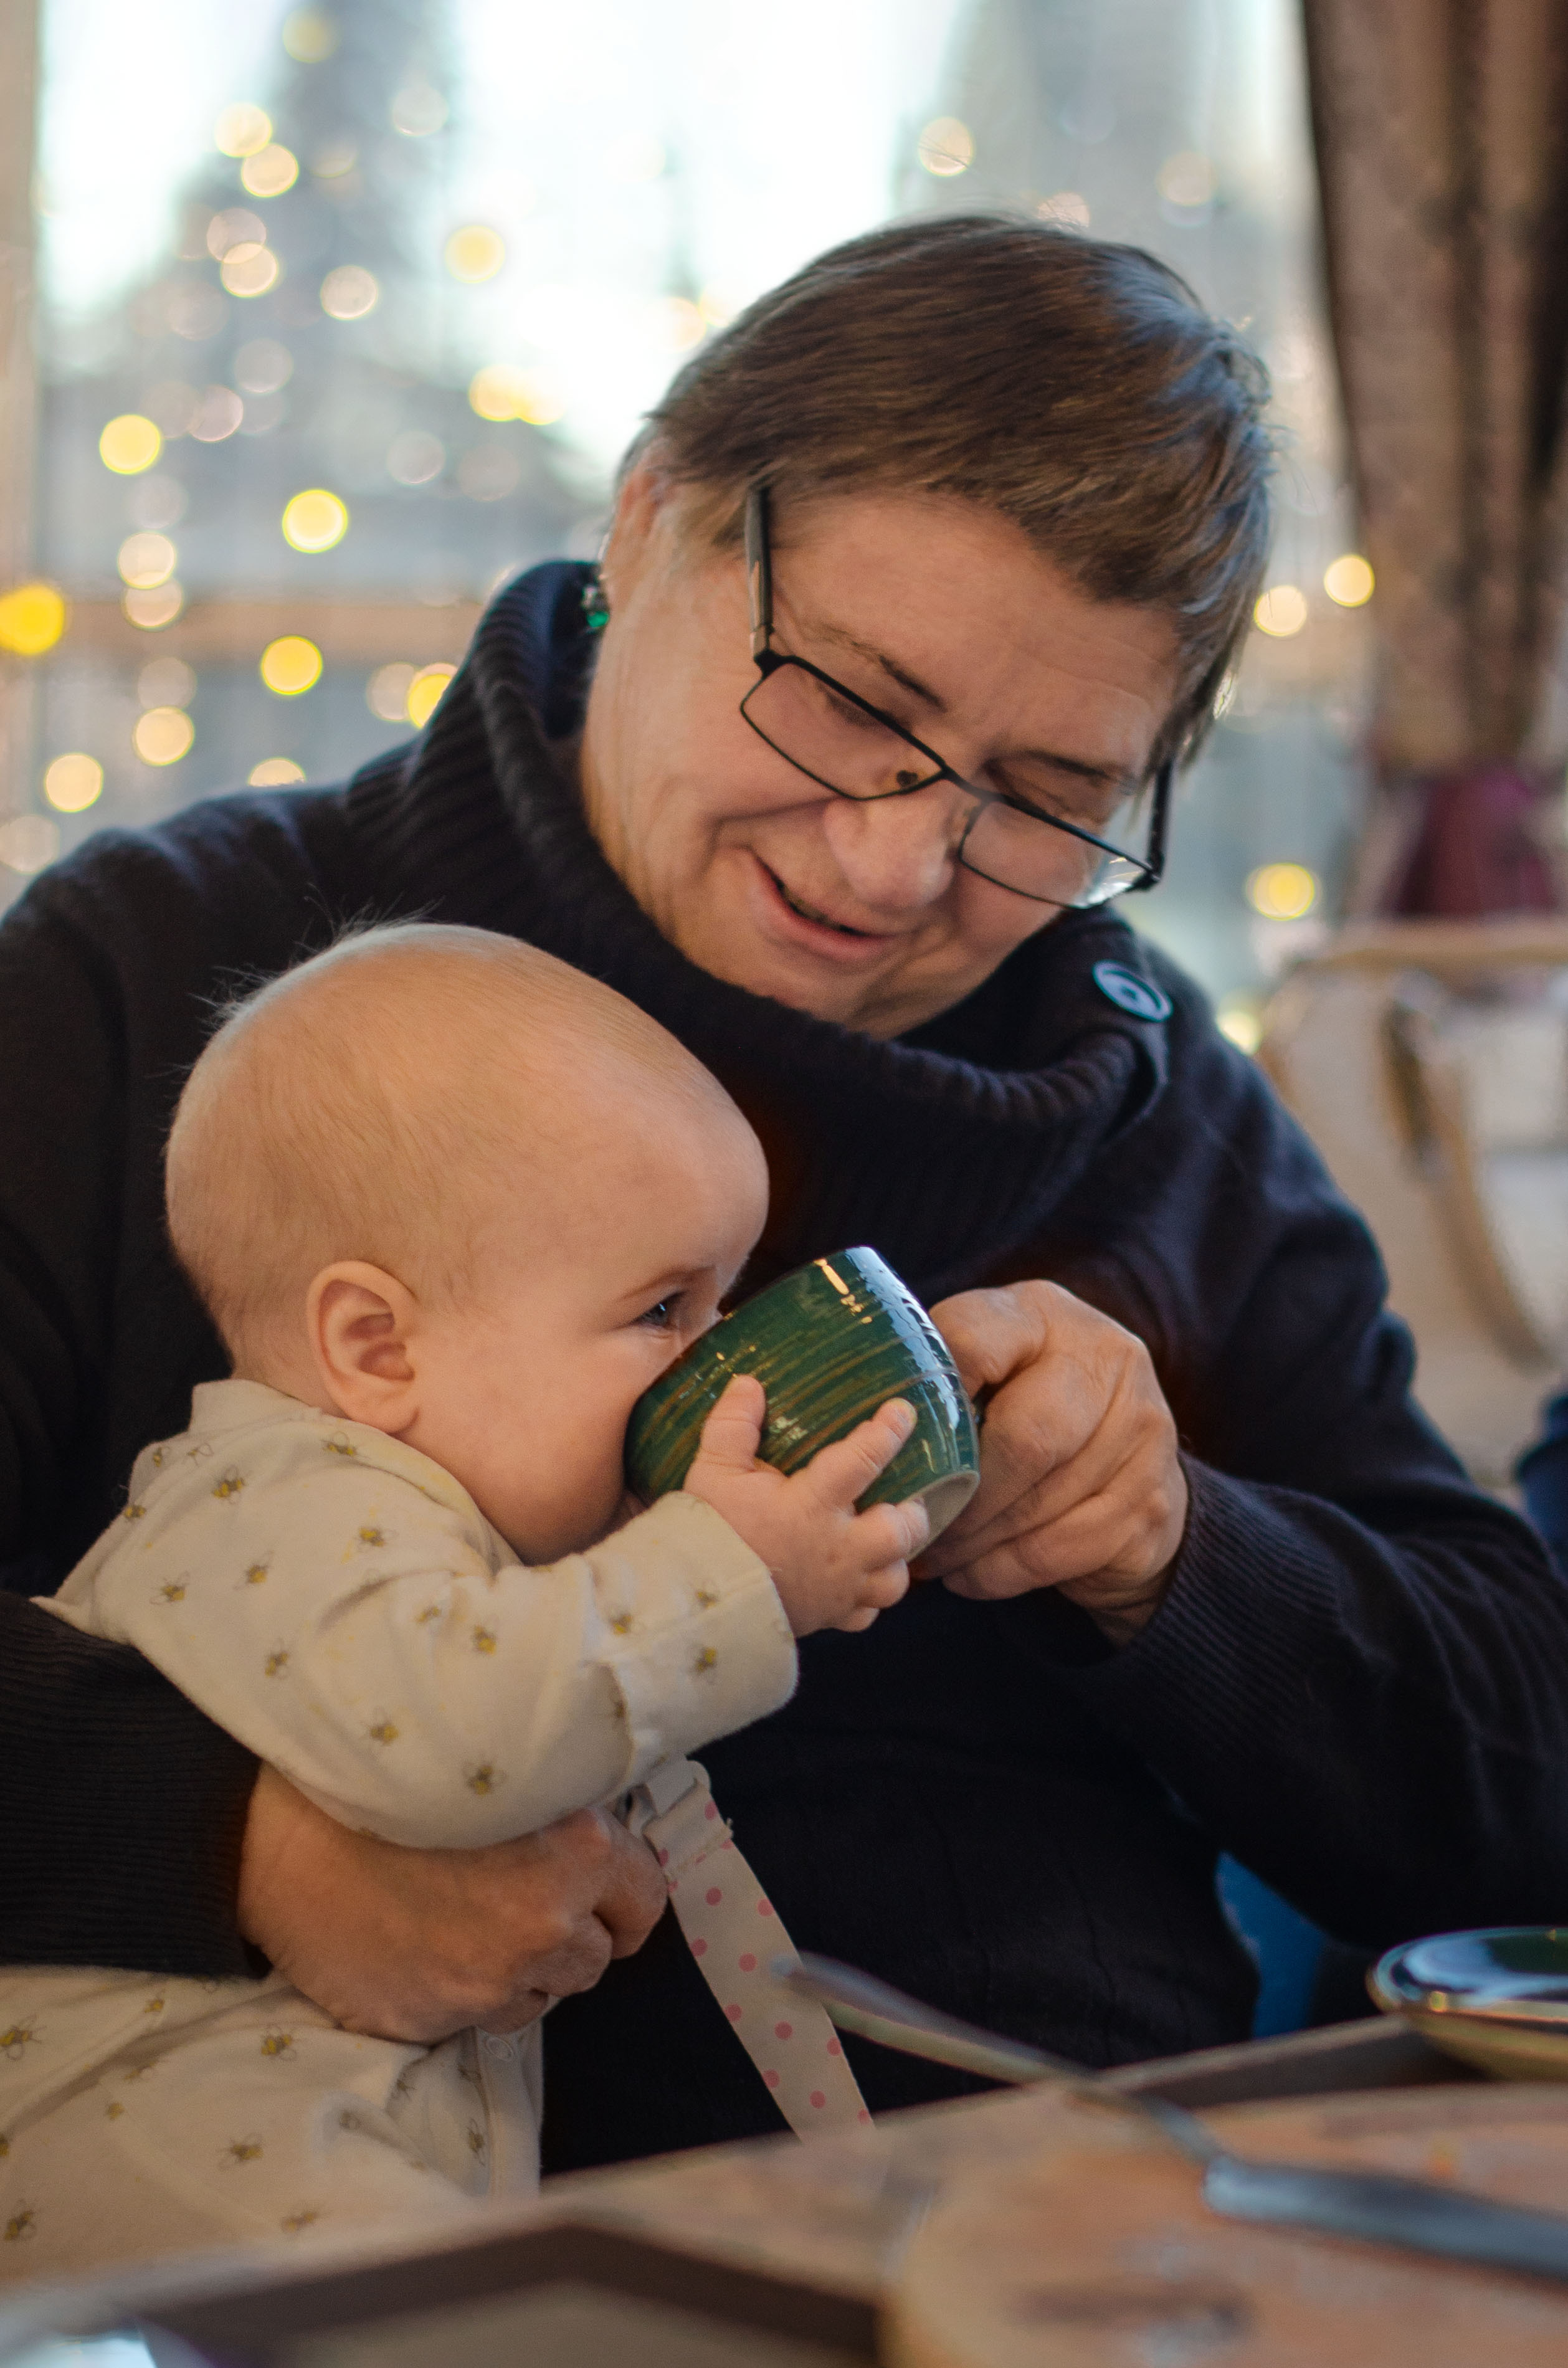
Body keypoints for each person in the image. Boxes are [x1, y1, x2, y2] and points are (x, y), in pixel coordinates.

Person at [4, 214, 1567, 2187]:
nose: (901, 859)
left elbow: (1523, 1801)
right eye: (846, 694)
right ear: (648, 516)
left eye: (1045, 787)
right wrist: (234, 1845)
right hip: (339, 2238)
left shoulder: (1153, 1108)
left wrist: (1175, 1551)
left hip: (1078, 2235)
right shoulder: (171, 976)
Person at [0, 924, 923, 2280]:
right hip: (144, 2137)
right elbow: (460, 1743)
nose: (712, 1363)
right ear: (376, 1347)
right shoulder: (289, 1495)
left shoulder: (447, 1532)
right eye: (663, 1308)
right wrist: (734, 1576)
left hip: (289, 2142)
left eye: (724, 1301)